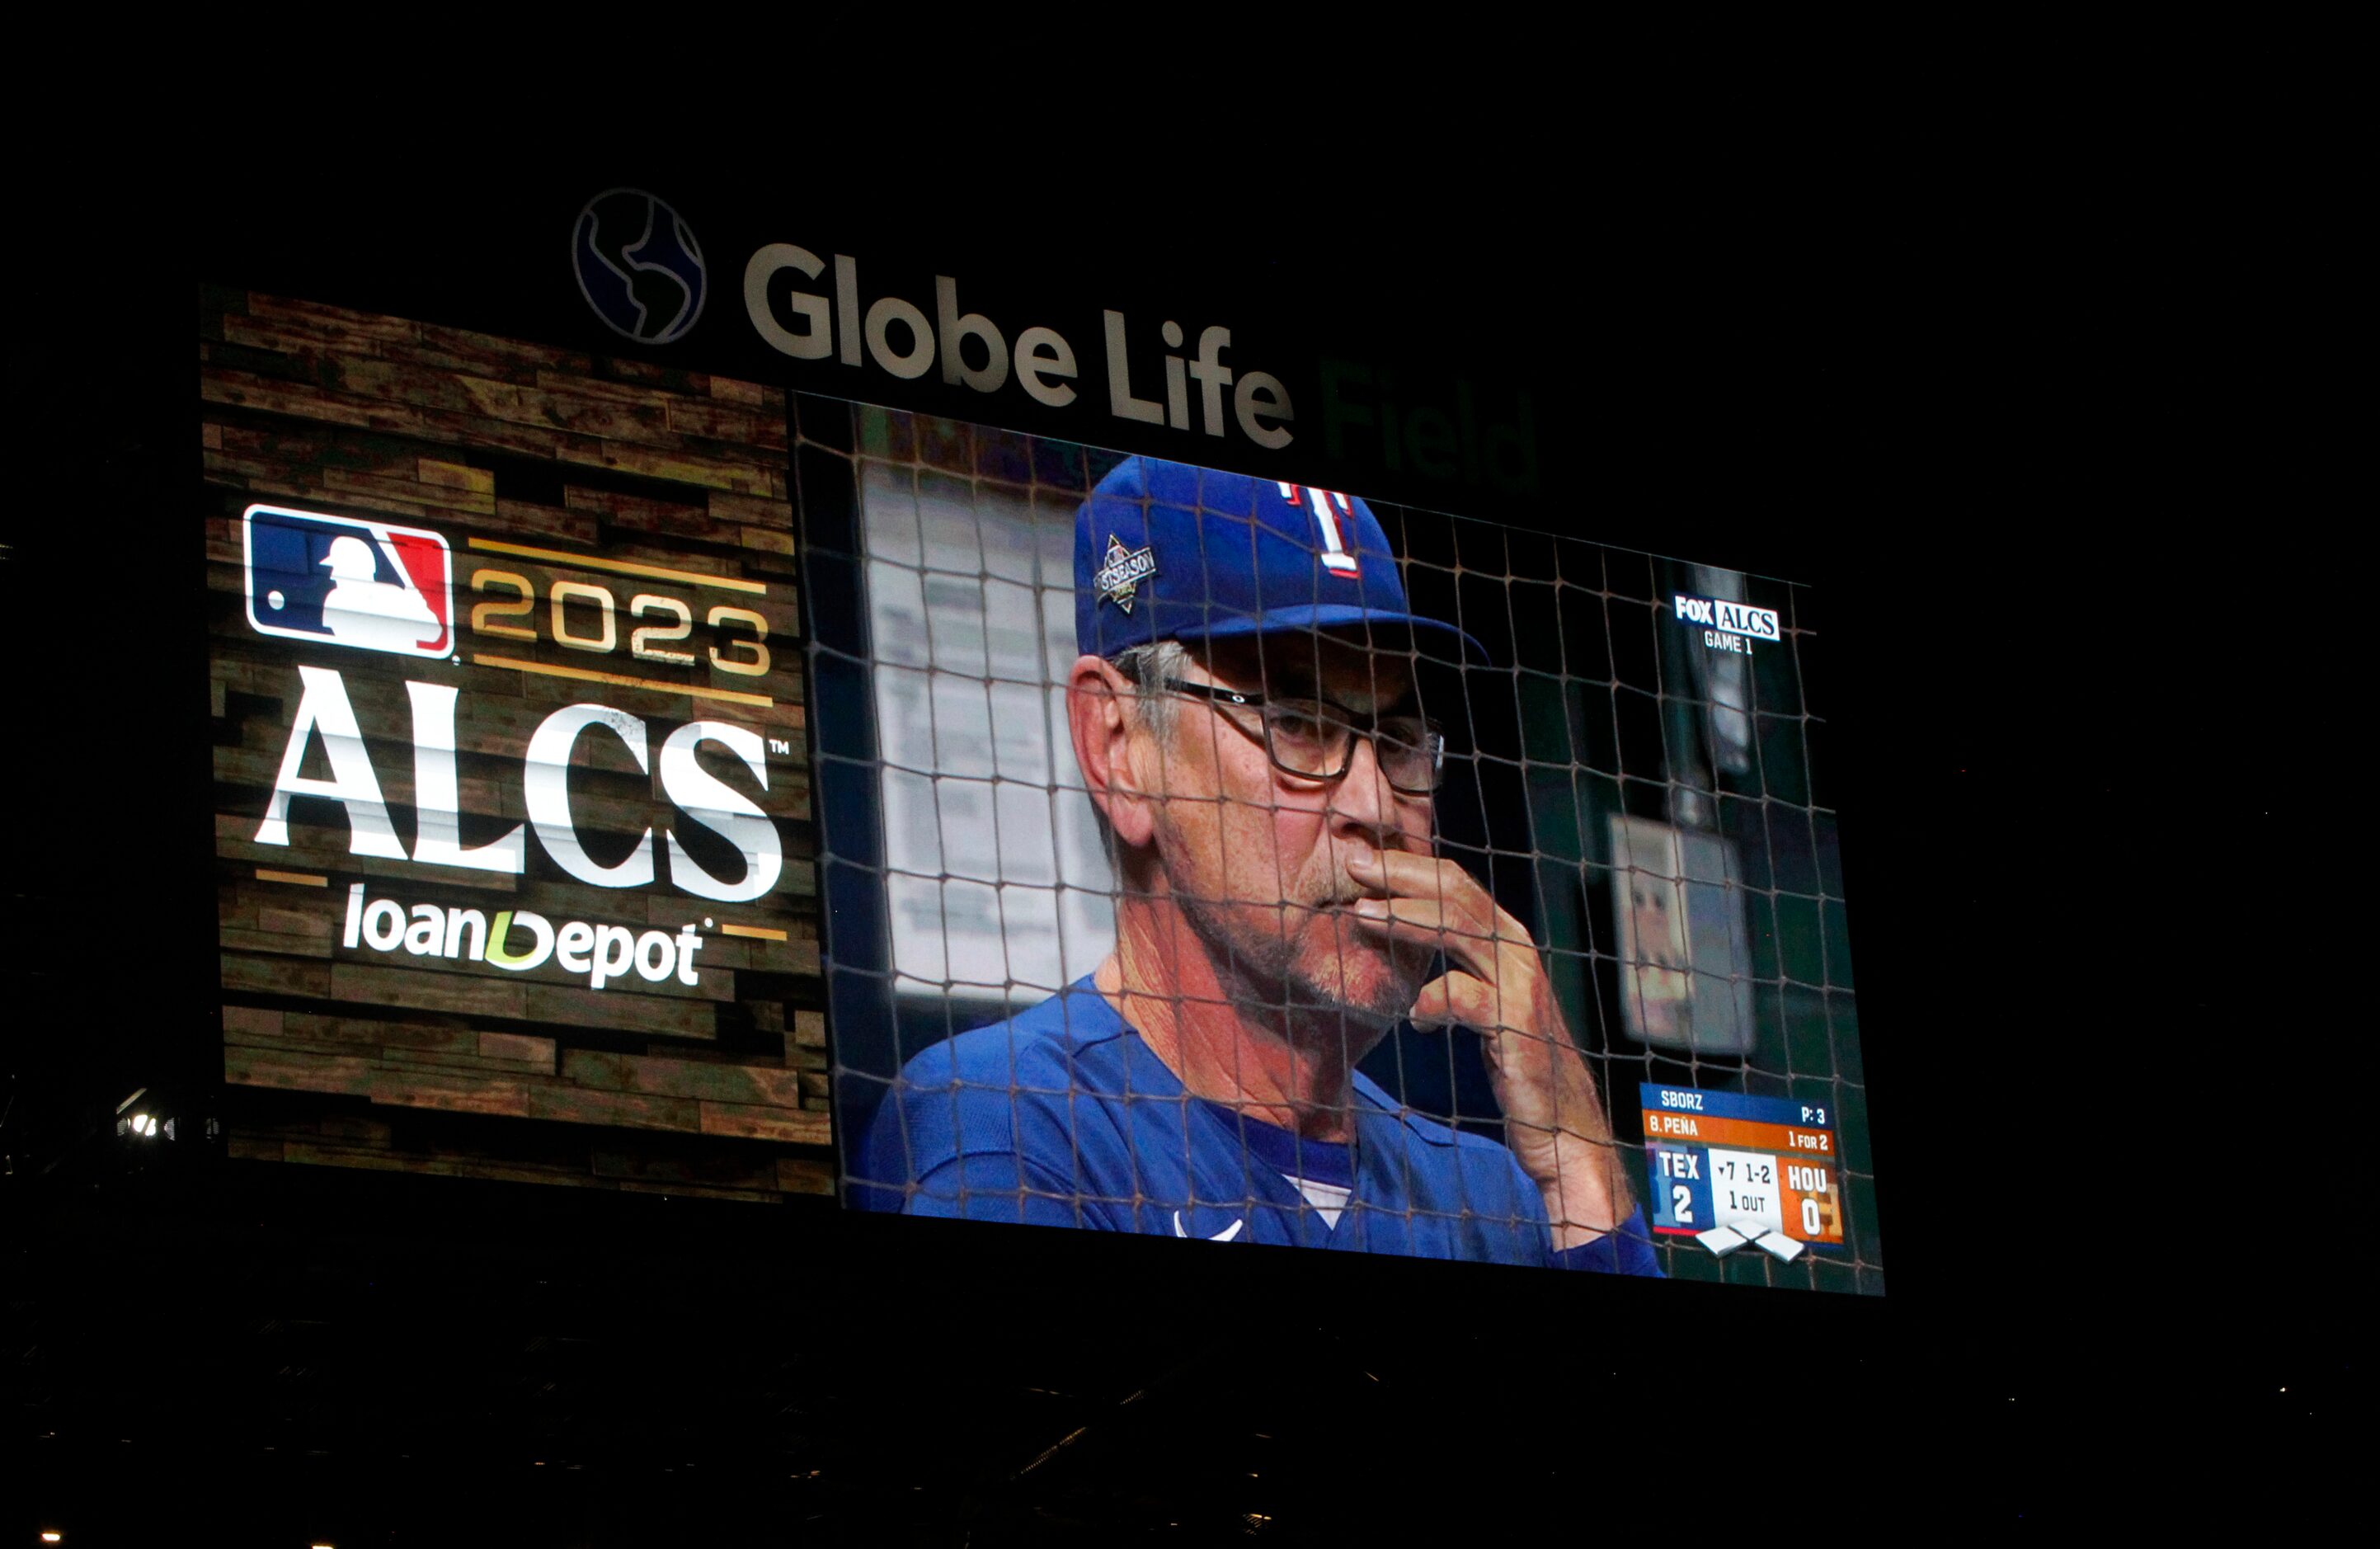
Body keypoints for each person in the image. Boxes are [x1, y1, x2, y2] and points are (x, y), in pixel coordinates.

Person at [858, 458, 1659, 1274]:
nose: (1378, 806)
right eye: (1298, 722)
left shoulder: (1490, 1194)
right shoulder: (1006, 1126)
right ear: (1119, 748)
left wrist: (1577, 1166)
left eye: (1397, 739)